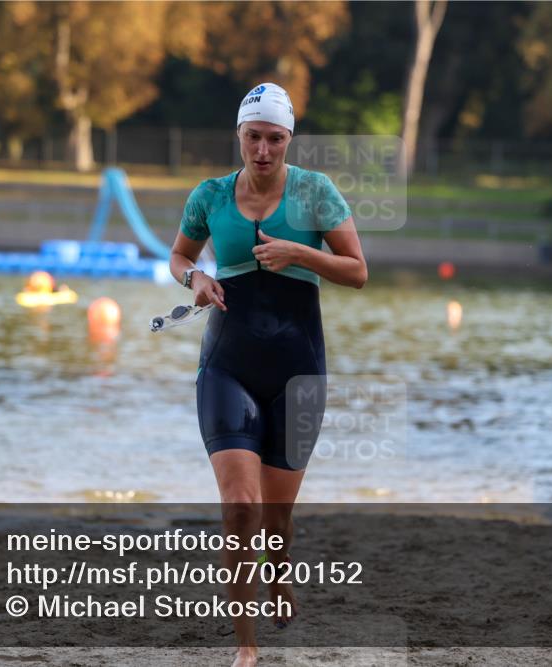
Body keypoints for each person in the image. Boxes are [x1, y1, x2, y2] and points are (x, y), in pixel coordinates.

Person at [168, 82, 367, 667]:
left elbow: (357, 271)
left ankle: (278, 579)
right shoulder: (209, 195)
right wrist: (195, 281)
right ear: (239, 136)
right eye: (253, 137)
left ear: (288, 140)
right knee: (240, 506)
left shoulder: (314, 192)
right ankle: (245, 646)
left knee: (277, 514)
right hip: (226, 366)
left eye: (274, 139)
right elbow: (179, 256)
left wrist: (299, 254)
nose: (262, 150)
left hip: (299, 371)